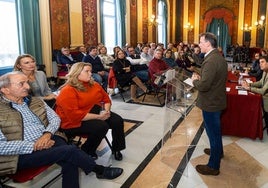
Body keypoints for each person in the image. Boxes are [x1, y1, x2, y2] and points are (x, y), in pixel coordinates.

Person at [0, 71, 123, 188]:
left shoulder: (34, 101)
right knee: (69, 151)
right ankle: (99, 170)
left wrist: (47, 134)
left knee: (70, 158)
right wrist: (34, 145)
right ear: (5, 89)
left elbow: (55, 119)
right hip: (20, 154)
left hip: (49, 138)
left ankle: (98, 170)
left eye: (27, 82)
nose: (27, 86)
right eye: (21, 84)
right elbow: (1, 146)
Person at [55, 62, 126, 161]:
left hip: (93, 112)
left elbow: (106, 100)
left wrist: (106, 111)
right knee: (101, 126)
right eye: (87, 71)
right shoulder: (68, 90)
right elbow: (74, 115)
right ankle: (87, 150)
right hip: (73, 122)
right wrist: (99, 117)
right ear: (77, 73)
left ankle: (117, 149)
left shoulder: (94, 85)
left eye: (91, 71)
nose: (90, 74)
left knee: (117, 121)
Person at [191, 32, 227, 176]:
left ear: (208, 43)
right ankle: (218, 152)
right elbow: (212, 78)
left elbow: (205, 85)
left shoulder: (211, 60)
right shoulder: (217, 56)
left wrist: (195, 81)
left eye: (201, 42)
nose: (199, 45)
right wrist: (202, 77)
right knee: (215, 131)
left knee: (213, 133)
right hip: (216, 99)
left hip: (211, 102)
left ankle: (213, 166)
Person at [242, 56, 268, 129]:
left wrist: (249, 88)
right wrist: (249, 84)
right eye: (260, 62)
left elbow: (263, 91)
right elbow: (260, 82)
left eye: (262, 62)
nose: (260, 64)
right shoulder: (265, 71)